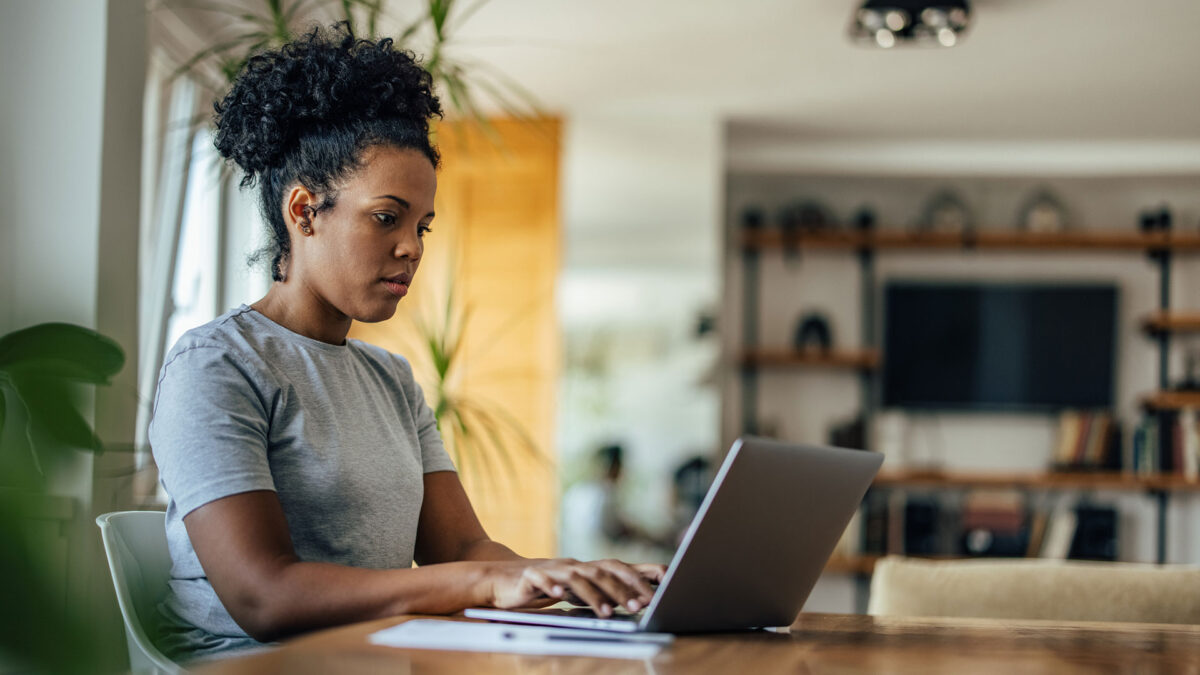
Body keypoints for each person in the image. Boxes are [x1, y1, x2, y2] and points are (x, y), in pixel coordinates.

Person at [148, 25, 663, 662]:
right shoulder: (219, 365)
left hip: (380, 657)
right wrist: (481, 582)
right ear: (305, 211)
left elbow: (464, 552)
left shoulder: (390, 379)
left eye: (422, 226)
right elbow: (264, 597)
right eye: (387, 217)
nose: (412, 248)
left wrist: (565, 577)